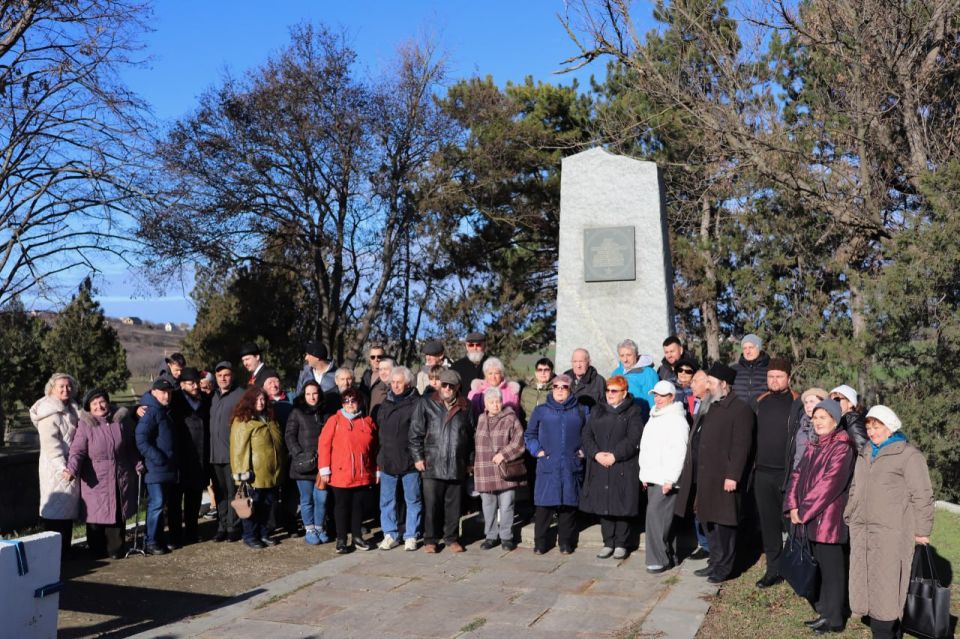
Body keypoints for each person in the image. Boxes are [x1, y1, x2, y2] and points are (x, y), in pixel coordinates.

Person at [845, 405, 935, 639]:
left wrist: (922, 531)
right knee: (867, 587)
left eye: (877, 426)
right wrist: (850, 512)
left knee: (886, 594)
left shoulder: (909, 455)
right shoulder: (865, 451)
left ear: (891, 427)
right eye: (869, 426)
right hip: (862, 532)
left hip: (892, 534)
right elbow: (856, 486)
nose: (872, 432)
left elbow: (923, 495)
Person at [784, 399, 856, 635]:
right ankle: (824, 611)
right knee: (821, 567)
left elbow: (829, 485)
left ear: (835, 420)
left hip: (828, 521)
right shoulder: (815, 445)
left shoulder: (842, 447)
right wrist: (792, 505)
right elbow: (796, 475)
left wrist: (802, 511)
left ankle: (835, 619)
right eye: (815, 418)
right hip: (809, 518)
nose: (818, 422)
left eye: (823, 418)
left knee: (832, 570)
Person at [692, 363, 755, 583]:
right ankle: (715, 563)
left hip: (725, 478)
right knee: (709, 522)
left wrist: (733, 475)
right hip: (707, 476)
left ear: (724, 384)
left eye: (710, 382)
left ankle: (725, 568)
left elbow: (742, 447)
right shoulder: (713, 405)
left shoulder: (741, 409)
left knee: (724, 525)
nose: (707, 386)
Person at [64, 389, 140, 559]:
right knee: (96, 514)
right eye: (94, 404)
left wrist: (137, 463)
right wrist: (72, 468)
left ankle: (116, 549)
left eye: (102, 401)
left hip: (120, 474)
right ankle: (97, 550)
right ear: (89, 408)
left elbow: (129, 446)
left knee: (117, 512)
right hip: (95, 477)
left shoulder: (120, 420)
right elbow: (77, 450)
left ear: (108, 402)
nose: (99, 406)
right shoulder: (86, 425)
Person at [408, 369, 475, 553]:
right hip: (432, 462)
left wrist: (470, 461)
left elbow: (472, 437)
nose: (446, 388)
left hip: (456, 463)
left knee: (454, 506)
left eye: (450, 386)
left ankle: (451, 538)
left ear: (457, 387)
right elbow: (415, 433)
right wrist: (418, 457)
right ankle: (430, 539)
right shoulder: (426, 403)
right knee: (432, 505)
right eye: (443, 384)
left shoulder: (466, 407)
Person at [580, 374, 645, 560]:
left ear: (624, 393)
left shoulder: (633, 412)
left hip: (622, 466)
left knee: (621, 505)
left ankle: (621, 544)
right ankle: (608, 542)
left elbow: (633, 438)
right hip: (600, 463)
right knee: (604, 505)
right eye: (608, 390)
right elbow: (587, 435)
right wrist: (596, 454)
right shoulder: (597, 410)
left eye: (614, 391)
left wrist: (615, 455)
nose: (609, 394)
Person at [524, 373, 587, 554]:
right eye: (556, 386)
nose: (560, 390)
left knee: (568, 505)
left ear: (571, 389)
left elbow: (588, 435)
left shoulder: (580, 411)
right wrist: (538, 451)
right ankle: (540, 542)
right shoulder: (541, 410)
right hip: (548, 464)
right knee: (544, 505)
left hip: (571, 464)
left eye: (564, 387)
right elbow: (530, 435)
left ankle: (565, 542)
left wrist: (583, 451)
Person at [753, 358, 798, 589]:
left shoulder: (797, 403)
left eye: (779, 376)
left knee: (792, 525)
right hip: (762, 473)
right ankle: (774, 569)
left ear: (788, 378)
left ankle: (797, 568)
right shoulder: (760, 401)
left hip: (788, 475)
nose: (774, 380)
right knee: (769, 524)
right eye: (771, 376)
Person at [318, 387, 379, 553]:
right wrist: (324, 469)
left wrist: (376, 469)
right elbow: (324, 445)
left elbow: (375, 449)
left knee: (358, 507)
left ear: (359, 402)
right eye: (346, 401)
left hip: (362, 473)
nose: (350, 404)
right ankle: (342, 539)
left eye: (353, 400)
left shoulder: (367, 421)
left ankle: (358, 537)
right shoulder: (334, 421)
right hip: (341, 474)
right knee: (341, 507)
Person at [638, 380, 688, 572]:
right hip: (653, 476)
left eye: (662, 395)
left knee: (655, 518)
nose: (657, 398)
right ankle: (670, 555)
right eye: (656, 395)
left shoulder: (677, 420)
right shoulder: (654, 416)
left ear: (672, 397)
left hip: (666, 479)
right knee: (663, 519)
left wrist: (671, 479)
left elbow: (679, 451)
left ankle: (658, 559)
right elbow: (647, 446)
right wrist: (645, 473)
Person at [30, 373, 82, 557]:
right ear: (51, 389)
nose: (65, 389)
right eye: (61, 386)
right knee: (55, 513)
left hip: (71, 466)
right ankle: (53, 554)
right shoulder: (48, 412)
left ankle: (65, 550)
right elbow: (51, 445)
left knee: (66, 512)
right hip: (56, 469)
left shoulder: (73, 409)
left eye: (68, 386)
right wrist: (64, 468)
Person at [230, 386, 285, 549]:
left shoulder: (269, 418)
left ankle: (263, 533)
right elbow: (238, 449)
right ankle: (249, 535)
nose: (260, 402)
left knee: (268, 505)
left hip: (272, 471)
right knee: (253, 505)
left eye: (263, 399)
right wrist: (242, 472)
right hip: (254, 473)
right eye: (256, 399)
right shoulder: (242, 421)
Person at [374, 367, 422, 551]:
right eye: (393, 382)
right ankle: (390, 534)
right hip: (387, 460)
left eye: (399, 382)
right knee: (387, 500)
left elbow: (419, 433)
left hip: (409, 461)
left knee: (412, 500)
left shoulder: (416, 403)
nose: (395, 386)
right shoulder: (386, 403)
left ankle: (411, 535)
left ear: (408, 383)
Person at [473, 387, 526, 551]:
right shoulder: (481, 418)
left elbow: (519, 441)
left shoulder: (511, 418)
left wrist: (504, 454)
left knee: (506, 505)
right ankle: (490, 536)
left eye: (498, 401)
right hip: (484, 470)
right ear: (486, 405)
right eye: (491, 402)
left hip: (505, 470)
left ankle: (506, 537)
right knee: (488, 507)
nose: (495, 405)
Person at [135, 378, 179, 555]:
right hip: (156, 467)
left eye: (169, 392)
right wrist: (158, 458)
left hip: (166, 467)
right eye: (163, 392)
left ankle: (158, 539)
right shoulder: (151, 412)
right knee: (157, 503)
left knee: (161, 505)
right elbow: (141, 439)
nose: (166, 395)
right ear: (154, 392)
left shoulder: (164, 411)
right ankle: (150, 541)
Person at [285, 380, 330, 545]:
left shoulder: (326, 412)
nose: (312, 397)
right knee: (307, 499)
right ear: (304, 395)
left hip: (322, 465)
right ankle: (309, 528)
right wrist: (299, 454)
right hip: (303, 466)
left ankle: (319, 527)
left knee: (322, 497)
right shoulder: (297, 412)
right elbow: (289, 435)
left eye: (315, 393)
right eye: (308, 394)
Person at [169, 367, 209, 547]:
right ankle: (176, 535)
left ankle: (192, 531)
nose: (195, 386)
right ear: (182, 384)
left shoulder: (204, 400)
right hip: (179, 457)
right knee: (176, 501)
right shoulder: (174, 400)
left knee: (194, 498)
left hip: (199, 457)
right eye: (190, 383)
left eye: (196, 383)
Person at [209, 361, 243, 542]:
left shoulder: (240, 395)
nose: (223, 378)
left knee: (233, 493)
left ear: (232, 376)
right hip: (214, 456)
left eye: (226, 375)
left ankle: (233, 527)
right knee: (219, 493)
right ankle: (221, 526)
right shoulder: (212, 396)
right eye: (220, 375)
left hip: (232, 455)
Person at [783, 387, 828, 488]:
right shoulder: (801, 426)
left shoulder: (828, 428)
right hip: (798, 480)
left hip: (818, 483)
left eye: (812, 401)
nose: (808, 405)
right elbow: (797, 457)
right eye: (806, 402)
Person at [610, 339, 658, 410]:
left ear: (636, 354)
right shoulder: (616, 373)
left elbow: (653, 400)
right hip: (619, 417)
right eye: (622, 356)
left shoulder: (648, 373)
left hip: (641, 416)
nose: (625, 360)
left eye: (629, 355)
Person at [731, 333, 771, 408]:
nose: (747, 351)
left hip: (761, 413)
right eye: (744, 348)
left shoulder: (769, 369)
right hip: (738, 413)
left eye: (751, 347)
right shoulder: (734, 369)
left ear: (758, 348)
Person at [829, 384, 868, 451]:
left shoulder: (853, 423)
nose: (833, 403)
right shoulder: (841, 422)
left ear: (850, 403)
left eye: (837, 400)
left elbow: (864, 452)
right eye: (831, 401)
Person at [519, 357, 554, 423]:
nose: (543, 373)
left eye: (546, 370)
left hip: (547, 428)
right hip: (528, 427)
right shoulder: (526, 390)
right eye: (540, 370)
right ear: (535, 372)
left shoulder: (556, 391)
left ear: (551, 373)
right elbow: (521, 413)